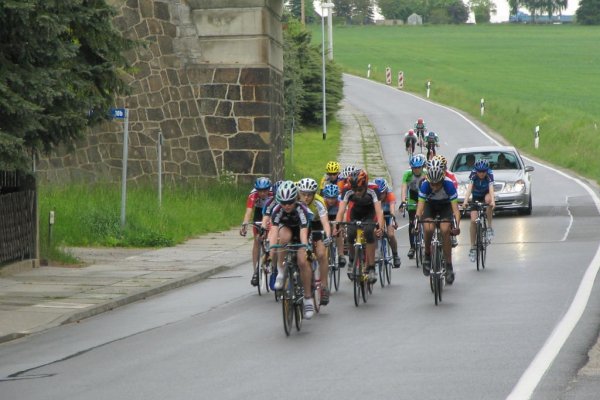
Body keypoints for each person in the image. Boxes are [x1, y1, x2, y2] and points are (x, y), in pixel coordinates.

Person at [268, 181, 315, 319]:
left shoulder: (302, 210)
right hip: (287, 230)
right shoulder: (277, 210)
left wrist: (305, 248)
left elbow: (303, 232)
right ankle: (281, 271)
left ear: (295, 199)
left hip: (302, 233)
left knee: (302, 261)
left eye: (289, 202)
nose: (286, 205)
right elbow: (274, 232)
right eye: (283, 202)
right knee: (283, 238)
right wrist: (271, 252)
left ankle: (307, 298)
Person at [333, 169, 385, 283]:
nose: (357, 192)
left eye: (360, 190)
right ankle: (352, 260)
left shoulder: (374, 189)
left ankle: (371, 268)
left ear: (366, 185)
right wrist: (337, 226)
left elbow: (379, 211)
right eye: (354, 190)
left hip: (370, 213)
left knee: (369, 232)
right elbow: (341, 211)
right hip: (356, 212)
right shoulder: (346, 189)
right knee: (350, 234)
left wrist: (380, 228)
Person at [415, 159, 461, 284]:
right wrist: (416, 221)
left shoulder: (449, 184)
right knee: (428, 228)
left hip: (445, 206)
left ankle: (449, 265)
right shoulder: (425, 185)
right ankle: (427, 255)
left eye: (437, 184)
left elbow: (456, 211)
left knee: (445, 229)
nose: (434, 187)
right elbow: (420, 209)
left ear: (442, 179)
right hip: (430, 206)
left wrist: (456, 226)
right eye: (432, 184)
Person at [297, 178, 332, 306]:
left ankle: (324, 286)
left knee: (322, 254)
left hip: (316, 225)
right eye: (303, 194)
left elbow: (325, 223)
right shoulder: (295, 199)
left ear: (314, 194)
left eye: (309, 195)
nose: (306, 198)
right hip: (301, 225)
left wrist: (328, 236)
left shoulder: (319, 202)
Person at [240, 177, 272, 287]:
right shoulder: (253, 195)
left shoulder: (273, 194)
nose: (262, 193)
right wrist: (244, 224)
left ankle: (270, 255)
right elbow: (249, 211)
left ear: (269, 189)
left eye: (265, 191)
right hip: (259, 212)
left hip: (271, 211)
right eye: (260, 191)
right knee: (257, 240)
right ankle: (255, 272)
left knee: (271, 235)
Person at [462, 159, 496, 263]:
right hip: (476, 196)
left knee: (488, 201)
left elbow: (491, 189)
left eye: (483, 172)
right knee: (473, 221)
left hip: (485, 194)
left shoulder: (489, 174)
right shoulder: (473, 174)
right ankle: (472, 247)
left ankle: (489, 227)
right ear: (476, 171)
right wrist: (465, 201)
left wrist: (493, 201)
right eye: (479, 172)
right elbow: (469, 189)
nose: (481, 174)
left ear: (486, 171)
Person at [399, 154, 427, 259]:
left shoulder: (426, 174)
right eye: (414, 168)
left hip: (424, 197)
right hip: (413, 197)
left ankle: (426, 241)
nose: (416, 170)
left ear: (422, 167)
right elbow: (404, 188)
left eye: (418, 167)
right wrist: (403, 201)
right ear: (411, 168)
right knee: (412, 223)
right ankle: (412, 247)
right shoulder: (407, 174)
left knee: (425, 220)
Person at [374, 177, 401, 268]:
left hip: (388, 214)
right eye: (378, 194)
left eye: (382, 193)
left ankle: (395, 255)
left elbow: (392, 209)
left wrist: (393, 220)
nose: (380, 196)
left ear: (386, 191)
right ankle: (376, 250)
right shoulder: (373, 196)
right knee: (375, 231)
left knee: (391, 235)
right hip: (378, 214)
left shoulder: (390, 195)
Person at [322, 183, 346, 270]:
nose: (331, 200)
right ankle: (326, 257)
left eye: (333, 198)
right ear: (325, 197)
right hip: (326, 217)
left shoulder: (340, 202)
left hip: (336, 217)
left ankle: (341, 255)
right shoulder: (322, 203)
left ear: (337, 197)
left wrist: (341, 225)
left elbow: (343, 215)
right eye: (328, 198)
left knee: (338, 231)